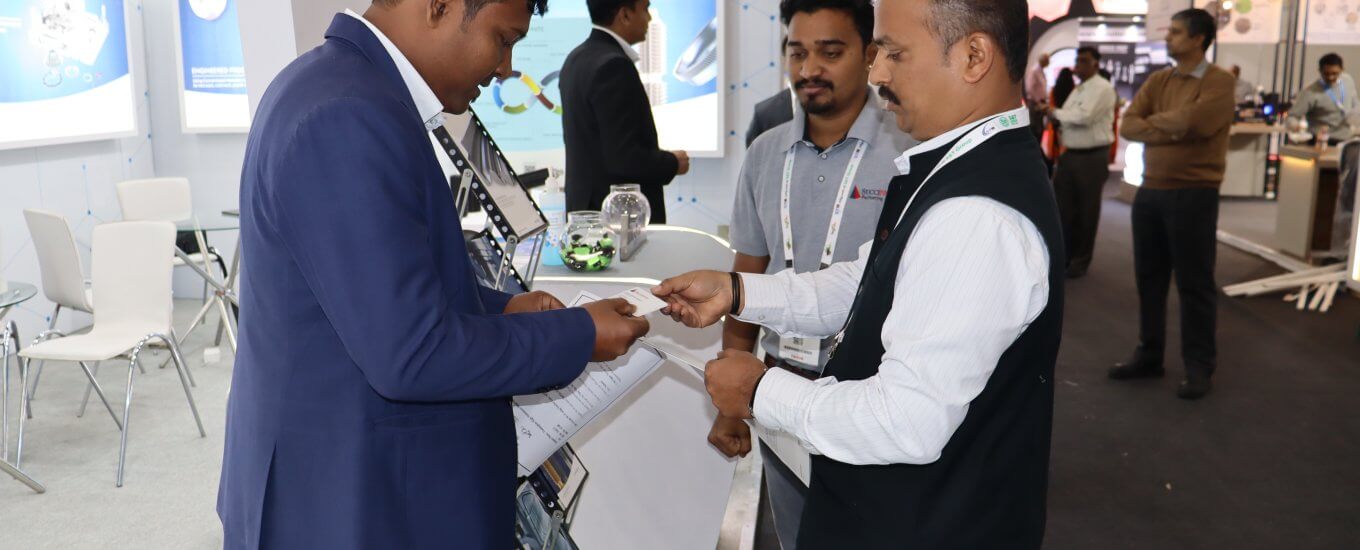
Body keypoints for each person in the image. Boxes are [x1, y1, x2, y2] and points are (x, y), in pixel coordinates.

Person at [217, 1, 651, 548]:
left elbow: (381, 284)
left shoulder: (342, 87)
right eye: (503, 39)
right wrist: (578, 335)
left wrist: (503, 308)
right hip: (351, 498)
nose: (505, 68)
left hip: (359, 476)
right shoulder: (348, 113)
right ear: (439, 6)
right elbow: (411, 352)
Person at [655, 0, 1064, 545]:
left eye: (895, 53)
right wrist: (738, 291)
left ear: (974, 57)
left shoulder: (975, 216)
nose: (878, 74)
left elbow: (905, 420)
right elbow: (865, 284)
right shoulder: (956, 167)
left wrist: (759, 391)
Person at [708, 1, 915, 546]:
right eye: (797, 53)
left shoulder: (906, 152)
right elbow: (745, 279)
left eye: (830, 52)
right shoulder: (763, 153)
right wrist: (731, 405)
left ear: (869, 55)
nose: (809, 69)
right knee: (798, 532)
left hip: (872, 394)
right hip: (780, 387)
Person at [1117, 8, 1234, 399]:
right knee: (1149, 279)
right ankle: (1149, 355)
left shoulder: (1219, 82)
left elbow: (1198, 123)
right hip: (1150, 192)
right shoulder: (1159, 80)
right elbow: (1129, 124)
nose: (1168, 37)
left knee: (1194, 283)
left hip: (1194, 192)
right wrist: (1173, 127)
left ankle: (1199, 366)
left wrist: (1158, 126)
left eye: (1177, 32)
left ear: (1199, 39)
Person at [561, 0, 689, 223]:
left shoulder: (576, 59)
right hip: (617, 223)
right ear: (625, 15)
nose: (649, 18)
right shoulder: (614, 65)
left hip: (586, 213)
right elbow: (624, 157)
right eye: (645, 8)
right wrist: (672, 163)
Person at [1045, 46, 1117, 278]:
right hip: (1070, 154)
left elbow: (1083, 117)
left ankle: (1080, 260)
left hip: (1091, 157)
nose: (1078, 64)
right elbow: (1070, 116)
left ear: (1096, 63)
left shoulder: (1102, 88)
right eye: (1077, 60)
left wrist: (1054, 113)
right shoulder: (1080, 88)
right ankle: (1065, 256)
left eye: (1084, 60)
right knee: (1063, 209)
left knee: (1086, 211)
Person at [1287, 53, 1360, 143]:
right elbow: (1292, 116)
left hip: (1346, 138)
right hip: (1321, 140)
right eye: (1326, 74)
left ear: (1342, 70)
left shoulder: (1348, 81)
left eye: (1335, 73)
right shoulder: (1310, 92)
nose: (1331, 77)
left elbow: (1354, 101)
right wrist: (1296, 126)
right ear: (1320, 71)